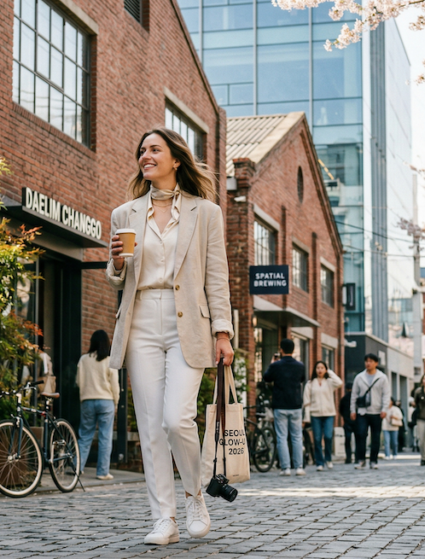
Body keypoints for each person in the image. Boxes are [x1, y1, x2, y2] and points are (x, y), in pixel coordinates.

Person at [106, 128, 234, 545]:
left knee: (177, 418)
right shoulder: (124, 213)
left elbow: (216, 276)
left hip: (189, 323)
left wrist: (223, 332)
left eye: (154, 149)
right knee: (150, 425)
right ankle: (164, 518)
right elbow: (117, 278)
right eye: (141, 150)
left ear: (176, 159)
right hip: (141, 317)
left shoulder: (206, 212)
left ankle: (196, 497)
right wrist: (117, 264)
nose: (145, 155)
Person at [76, 330, 121, 481]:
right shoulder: (109, 360)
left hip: (88, 400)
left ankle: (77, 468)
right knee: (105, 437)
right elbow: (115, 385)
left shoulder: (83, 360)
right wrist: (116, 402)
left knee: (85, 436)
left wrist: (84, 396)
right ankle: (102, 472)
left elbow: (78, 381)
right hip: (106, 400)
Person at [263, 339, 307, 476]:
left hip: (280, 405)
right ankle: (299, 467)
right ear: (293, 350)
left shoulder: (276, 365)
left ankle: (285, 468)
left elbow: (266, 378)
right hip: (295, 404)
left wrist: (272, 363)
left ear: (281, 349)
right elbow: (302, 379)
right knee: (297, 437)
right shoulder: (300, 365)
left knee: (282, 437)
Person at [350, 353, 391, 470]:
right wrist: (353, 410)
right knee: (361, 435)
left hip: (377, 412)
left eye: (371, 361)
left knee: (376, 437)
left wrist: (384, 409)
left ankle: (373, 460)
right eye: (366, 361)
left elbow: (386, 395)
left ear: (376, 363)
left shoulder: (382, 377)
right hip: (362, 412)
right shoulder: (359, 377)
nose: (368, 363)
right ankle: (361, 460)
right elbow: (354, 395)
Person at [303, 360, 342, 471]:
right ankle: (319, 462)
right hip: (315, 414)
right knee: (317, 438)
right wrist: (306, 417)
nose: (320, 370)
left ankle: (328, 459)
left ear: (325, 369)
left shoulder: (329, 382)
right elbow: (306, 401)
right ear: (315, 370)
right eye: (318, 368)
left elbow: (339, 382)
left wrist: (329, 371)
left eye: (322, 368)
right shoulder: (310, 384)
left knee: (328, 436)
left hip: (329, 413)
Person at [339, 385, 355, 464]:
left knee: (347, 440)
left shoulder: (343, 399)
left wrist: (345, 418)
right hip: (356, 421)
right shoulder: (355, 399)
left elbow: (340, 410)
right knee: (358, 440)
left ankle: (348, 458)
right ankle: (358, 457)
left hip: (347, 421)